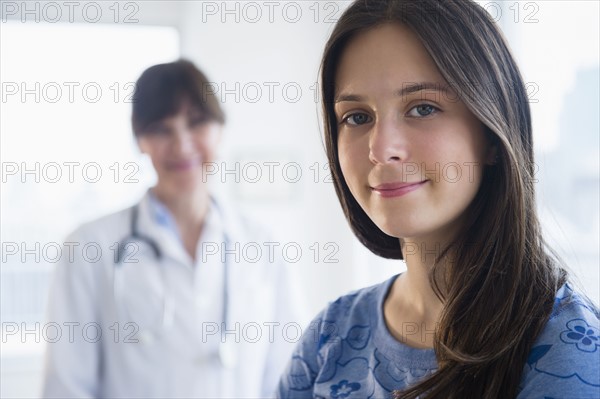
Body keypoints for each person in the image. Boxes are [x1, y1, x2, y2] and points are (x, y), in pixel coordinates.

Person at [277, 1, 600, 398]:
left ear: (492, 133)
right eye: (357, 117)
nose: (381, 149)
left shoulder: (568, 353)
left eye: (423, 108)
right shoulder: (329, 336)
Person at [43, 59, 304, 398]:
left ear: (220, 129)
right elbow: (66, 387)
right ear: (140, 140)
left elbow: (290, 376)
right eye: (161, 129)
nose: (182, 145)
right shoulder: (89, 247)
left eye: (196, 122)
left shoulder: (262, 244)